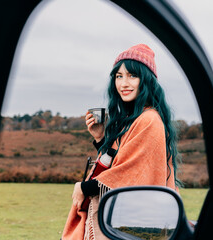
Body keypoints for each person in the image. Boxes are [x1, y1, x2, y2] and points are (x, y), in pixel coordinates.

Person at [62, 44, 181, 240]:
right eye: (119, 76)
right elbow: (115, 162)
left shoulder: (149, 120)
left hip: (130, 222)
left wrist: (83, 188)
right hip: (121, 218)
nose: (123, 83)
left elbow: (132, 172)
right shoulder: (133, 119)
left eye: (132, 76)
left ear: (147, 80)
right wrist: (100, 138)